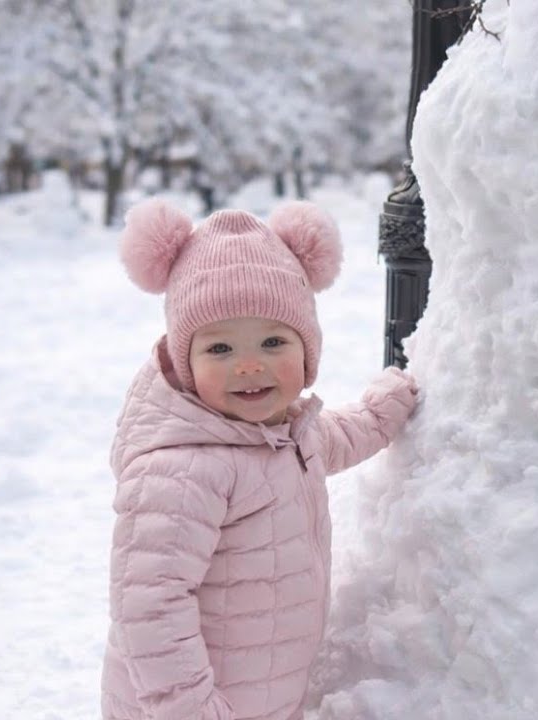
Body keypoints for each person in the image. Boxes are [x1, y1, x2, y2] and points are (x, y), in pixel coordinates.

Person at [101, 198, 419, 720]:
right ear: (185, 362)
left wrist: (380, 412)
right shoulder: (180, 469)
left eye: (273, 341)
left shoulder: (279, 434)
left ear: (307, 351)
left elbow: (334, 437)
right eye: (220, 349)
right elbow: (149, 608)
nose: (249, 365)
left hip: (261, 694)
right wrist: (194, 709)